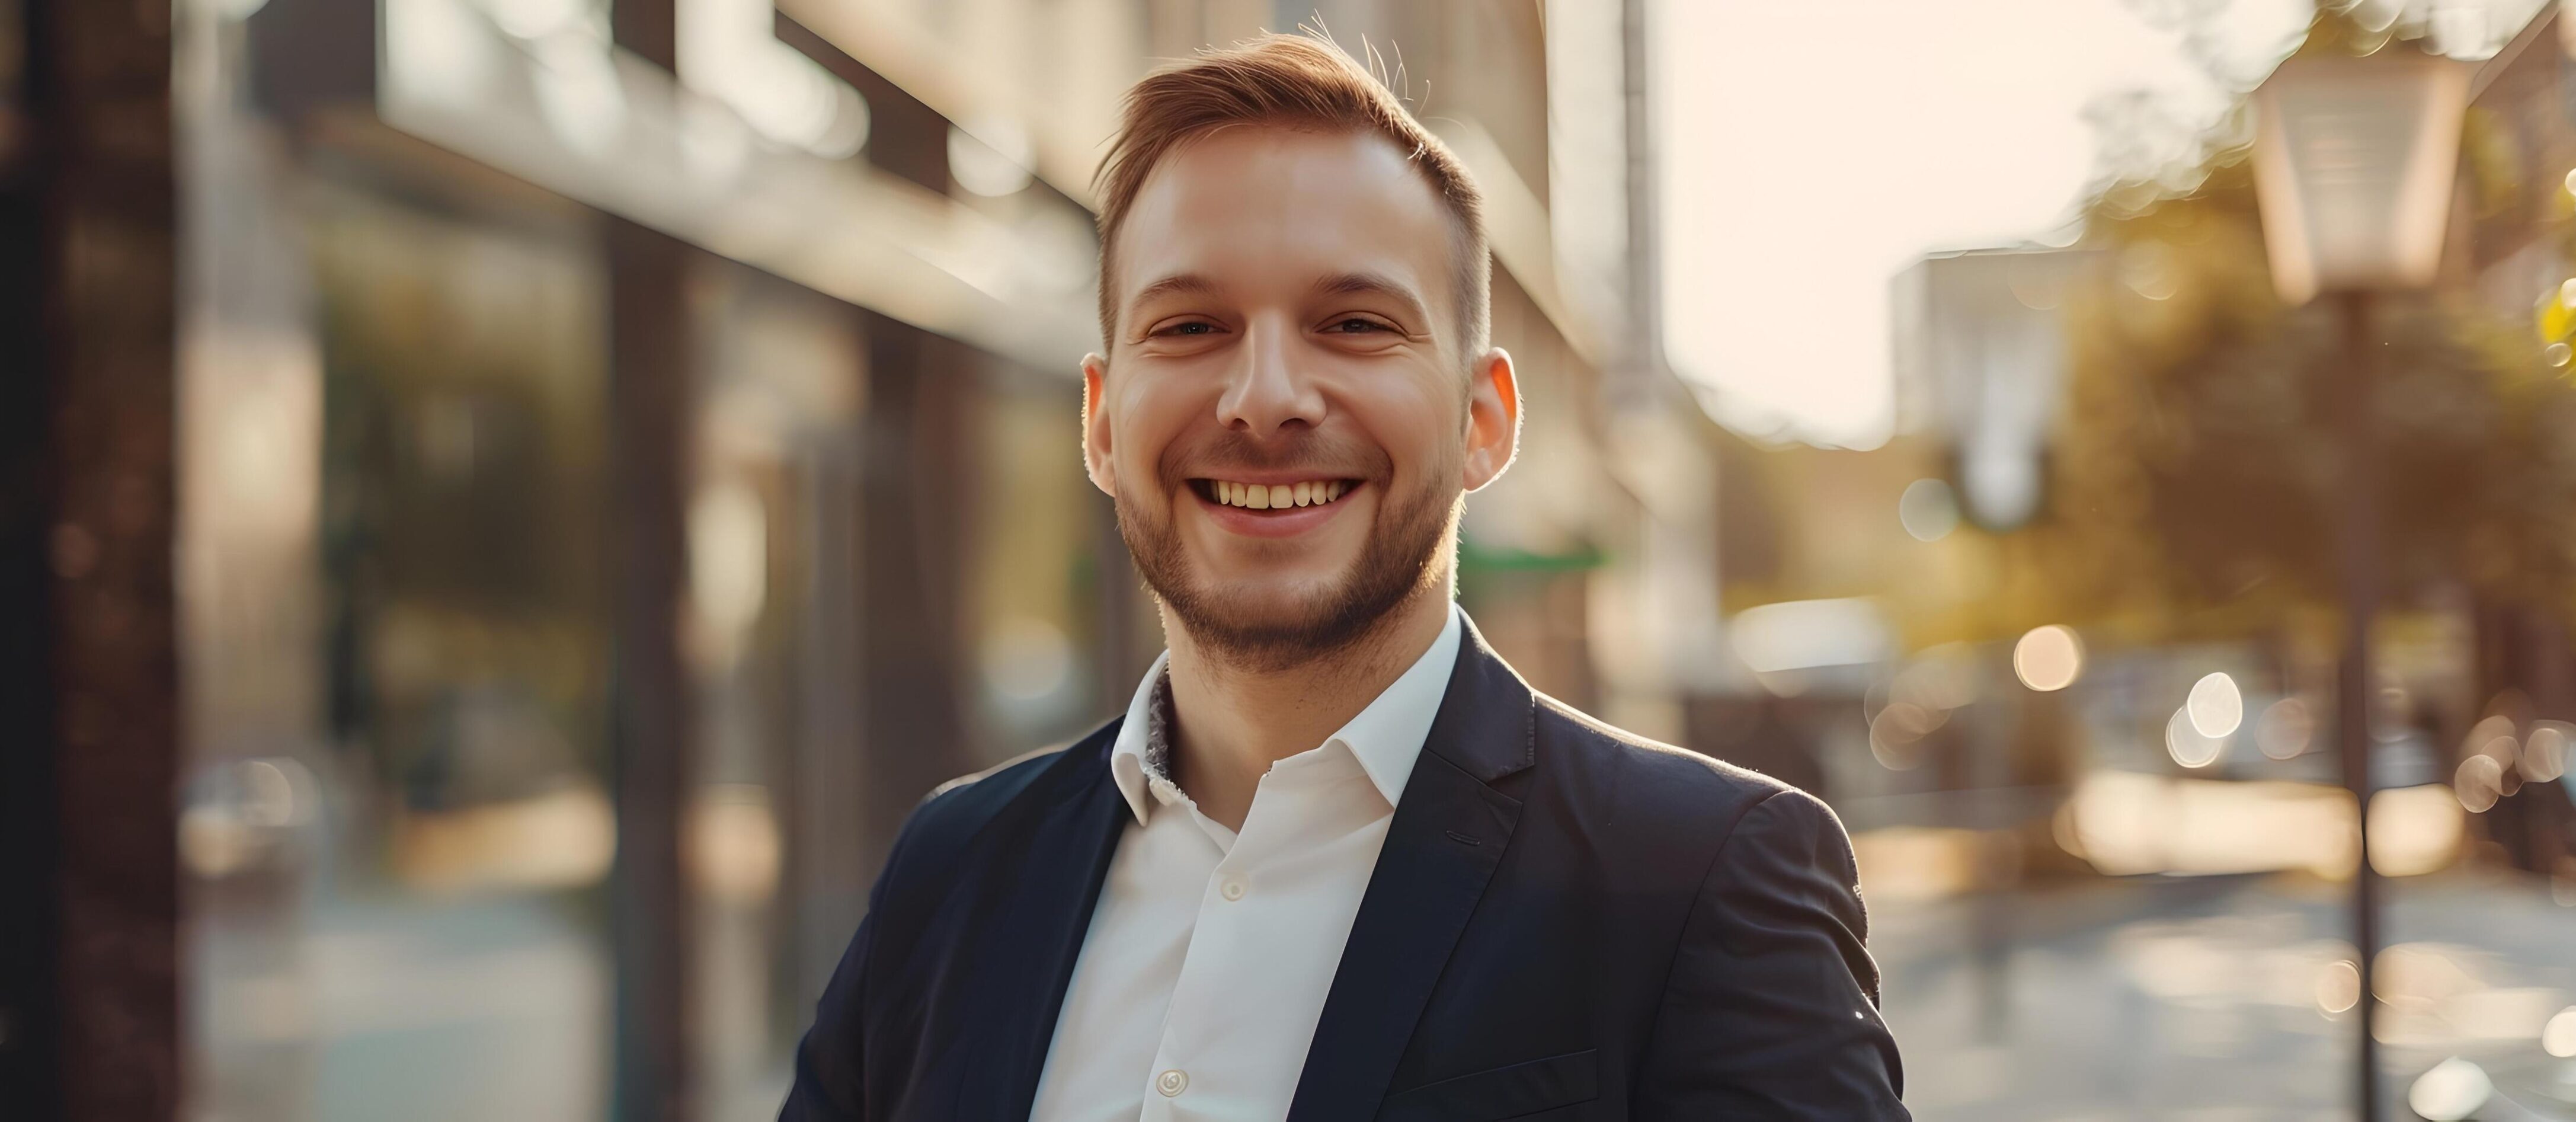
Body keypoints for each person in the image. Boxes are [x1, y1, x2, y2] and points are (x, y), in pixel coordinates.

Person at [782, 32, 1907, 1121]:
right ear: (1100, 421)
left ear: (1484, 418)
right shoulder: (954, 866)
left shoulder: (1698, 874)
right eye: (1190, 325)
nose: (1265, 396)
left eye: (1354, 323)